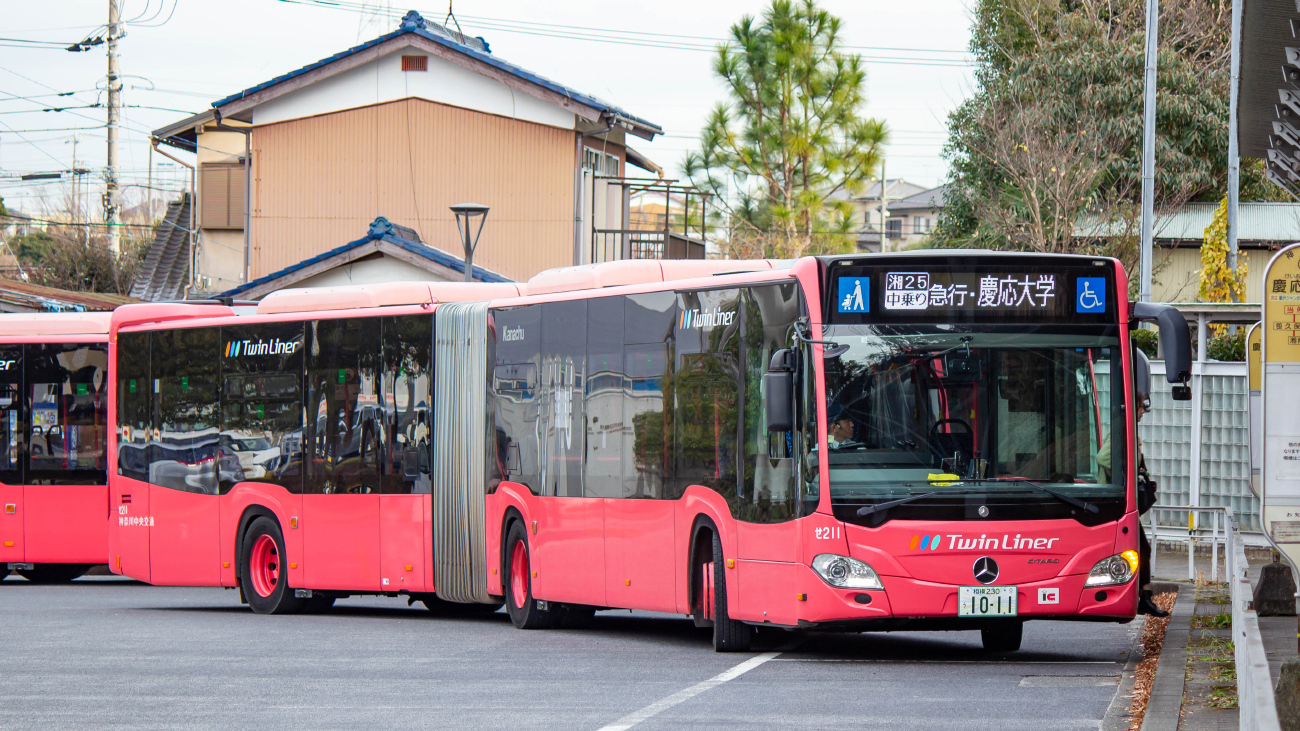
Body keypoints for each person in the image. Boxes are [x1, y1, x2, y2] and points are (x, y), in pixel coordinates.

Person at [1098, 350, 1167, 618]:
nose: (1142, 413)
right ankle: (1143, 598)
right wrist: (1127, 474)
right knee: (1140, 549)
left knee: (1141, 548)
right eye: (1140, 408)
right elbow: (1103, 457)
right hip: (1119, 500)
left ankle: (1143, 596)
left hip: (1126, 500)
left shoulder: (1128, 430)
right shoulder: (1122, 429)